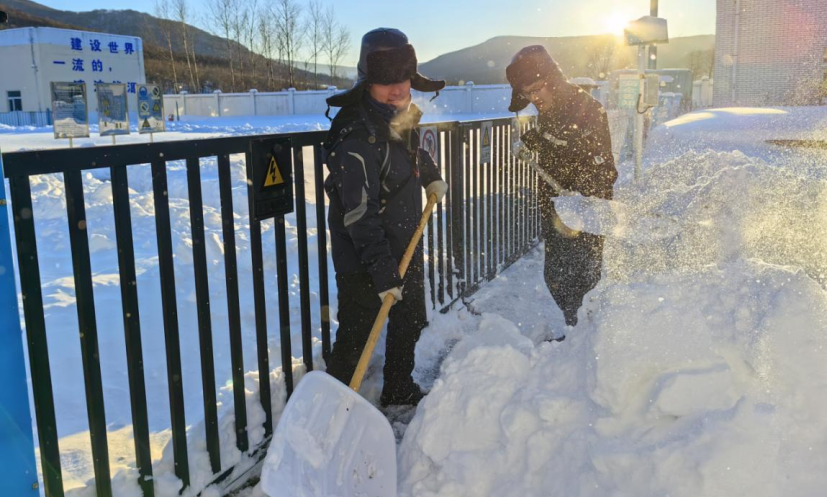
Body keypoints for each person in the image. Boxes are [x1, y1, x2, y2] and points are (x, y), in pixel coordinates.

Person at [322, 28, 447, 407]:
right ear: (367, 81)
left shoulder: (399, 114)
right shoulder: (356, 134)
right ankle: (334, 408)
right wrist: (382, 271)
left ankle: (398, 386)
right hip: (364, 255)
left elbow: (412, 152)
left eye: (403, 79)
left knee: (408, 321)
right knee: (358, 334)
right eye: (385, 82)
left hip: (404, 241)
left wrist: (431, 175)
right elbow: (358, 213)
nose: (397, 90)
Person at [505, 45, 618, 334]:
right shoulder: (548, 111)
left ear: (552, 80)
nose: (535, 98)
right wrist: (529, 142)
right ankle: (575, 334)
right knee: (555, 277)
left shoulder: (588, 110)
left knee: (584, 280)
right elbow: (547, 136)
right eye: (528, 93)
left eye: (538, 88)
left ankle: (586, 341)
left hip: (586, 215)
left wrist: (580, 192)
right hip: (557, 211)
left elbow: (606, 169)